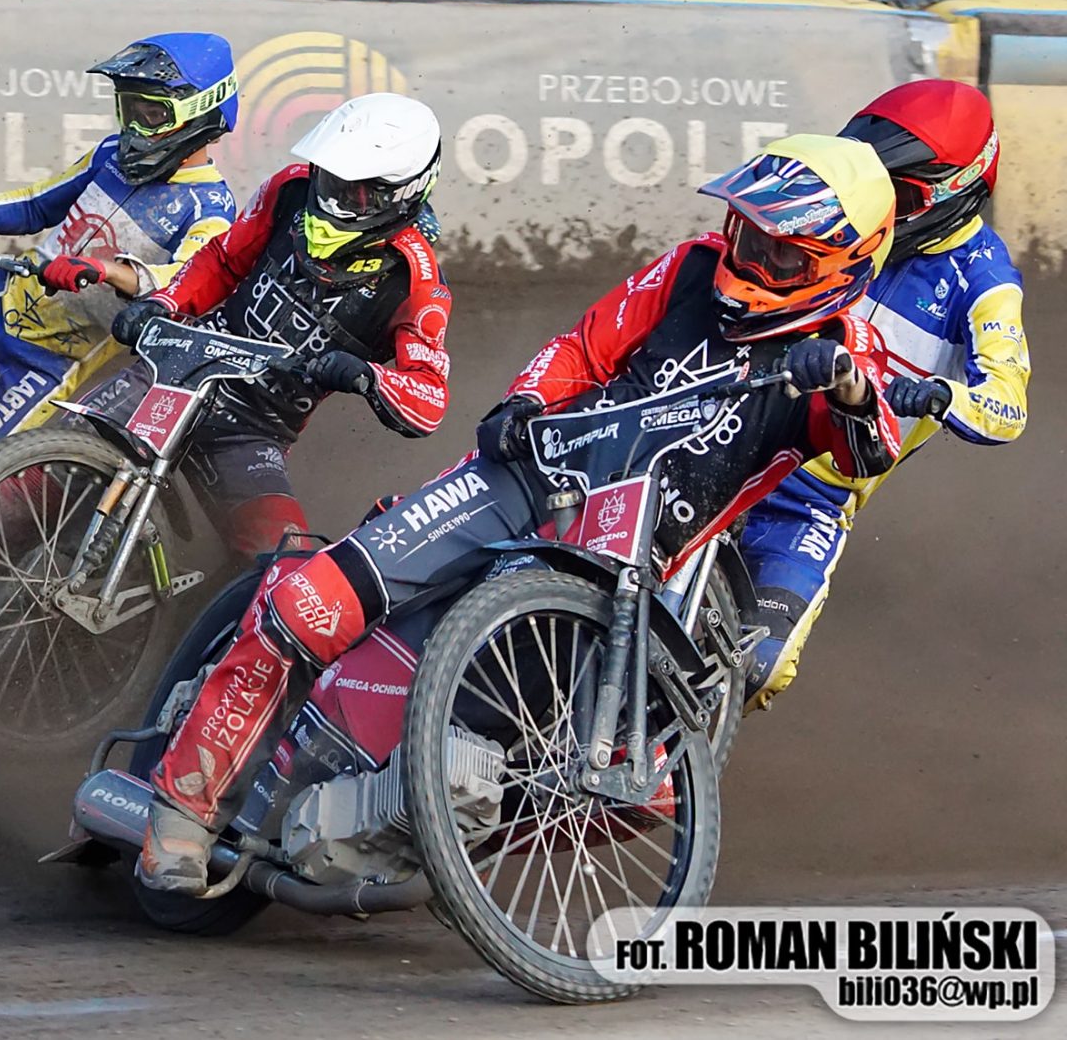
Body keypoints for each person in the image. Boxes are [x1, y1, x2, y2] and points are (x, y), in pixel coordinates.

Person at [137, 133, 905, 894]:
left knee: (646, 788)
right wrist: (527, 400)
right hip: (526, 477)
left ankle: (434, 852)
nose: (751, 261)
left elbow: (871, 449)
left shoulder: (846, 352)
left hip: (622, 564)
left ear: (848, 261)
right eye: (748, 234)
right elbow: (584, 348)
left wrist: (848, 393)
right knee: (311, 605)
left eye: (782, 255)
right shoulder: (693, 267)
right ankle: (183, 814)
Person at [740, 80, 1030, 712]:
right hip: (728, 431)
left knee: (760, 666)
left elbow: (1008, 407)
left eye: (895, 191)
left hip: (815, 492)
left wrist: (939, 395)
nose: (875, 202)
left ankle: (652, 773)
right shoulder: (836, 216)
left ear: (953, 188)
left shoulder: (984, 283)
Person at [92, 91, 454, 558]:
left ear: (400, 193)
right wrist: (163, 303)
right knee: (33, 477)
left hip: (251, 429)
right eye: (329, 177)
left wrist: (368, 377)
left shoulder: (416, 281)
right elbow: (222, 259)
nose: (331, 198)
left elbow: (430, 397)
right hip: (177, 370)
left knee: (286, 562)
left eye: (353, 191)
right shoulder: (291, 188)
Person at [0, 32, 240, 426]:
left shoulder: (209, 207)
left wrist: (105, 270)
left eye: (153, 114)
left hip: (47, 362)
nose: (136, 129)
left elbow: (183, 283)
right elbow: (36, 204)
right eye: (129, 110)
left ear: (201, 113)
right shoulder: (109, 154)